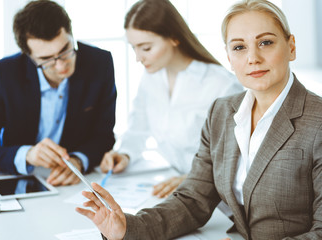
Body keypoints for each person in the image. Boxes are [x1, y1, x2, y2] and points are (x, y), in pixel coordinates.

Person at [77, 0, 322, 239]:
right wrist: (128, 227)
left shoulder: (317, 121)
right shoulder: (222, 112)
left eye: (266, 42)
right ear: (228, 56)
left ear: (291, 47)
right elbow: (193, 200)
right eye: (239, 47)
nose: (253, 58)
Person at [99, 0, 243, 198]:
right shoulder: (152, 77)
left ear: (174, 38)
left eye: (146, 48)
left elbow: (236, 156)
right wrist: (124, 153)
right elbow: (138, 127)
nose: (138, 58)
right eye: (134, 48)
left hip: (220, 198)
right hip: (175, 187)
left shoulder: (221, 84)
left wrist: (195, 178)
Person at [0, 0, 116, 186]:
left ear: (71, 35)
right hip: (21, 184)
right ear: (28, 56)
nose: (61, 66)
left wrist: (78, 161)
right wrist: (28, 154)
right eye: (46, 59)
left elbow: (104, 136)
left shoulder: (100, 63)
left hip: (75, 186)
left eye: (65, 51)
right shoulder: (4, 74)